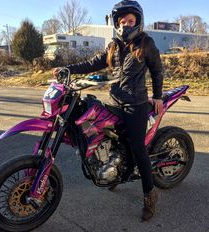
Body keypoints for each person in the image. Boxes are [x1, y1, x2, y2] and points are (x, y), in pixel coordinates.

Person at [53, 0, 163, 221]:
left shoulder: (146, 43)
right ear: (116, 24)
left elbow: (157, 71)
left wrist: (158, 96)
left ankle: (150, 194)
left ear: (138, 22)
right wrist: (68, 69)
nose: (126, 25)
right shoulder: (113, 46)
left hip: (136, 104)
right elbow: (92, 63)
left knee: (137, 146)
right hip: (115, 100)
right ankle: (115, 166)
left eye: (130, 21)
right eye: (122, 22)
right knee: (102, 131)